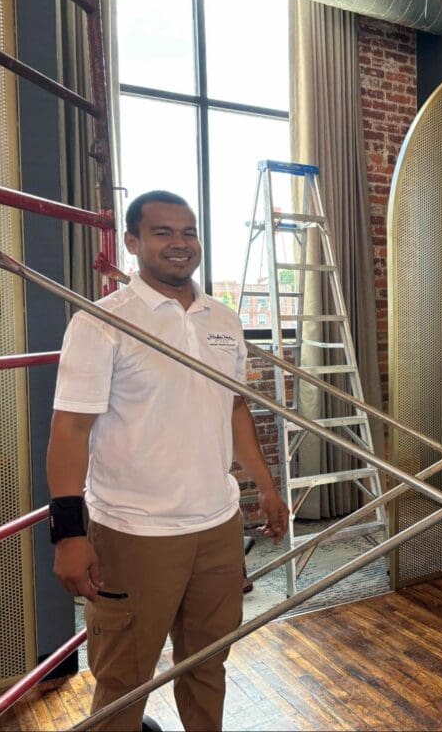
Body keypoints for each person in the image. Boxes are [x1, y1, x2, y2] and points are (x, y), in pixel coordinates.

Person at [46, 190, 289, 731]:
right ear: (132, 242)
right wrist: (68, 533)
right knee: (124, 679)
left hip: (217, 525)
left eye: (188, 232)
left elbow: (233, 408)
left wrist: (266, 487)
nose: (180, 244)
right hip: (136, 531)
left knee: (208, 664)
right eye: (163, 233)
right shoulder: (103, 322)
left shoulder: (221, 318)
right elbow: (70, 429)